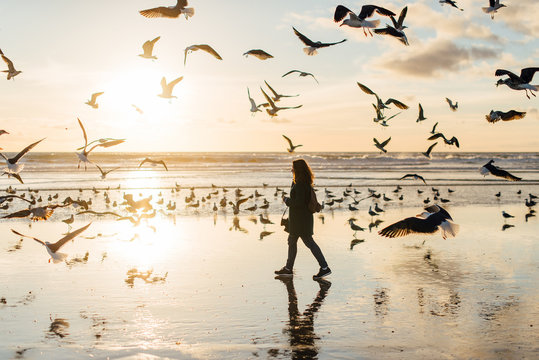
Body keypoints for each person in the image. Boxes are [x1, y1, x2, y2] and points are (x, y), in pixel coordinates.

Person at [275, 159, 331, 279]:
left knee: (308, 242)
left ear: (297, 169)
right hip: (299, 219)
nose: (291, 169)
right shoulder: (301, 182)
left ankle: (324, 267)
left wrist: (286, 200)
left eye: (293, 168)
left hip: (300, 220)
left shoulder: (301, 184)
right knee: (293, 241)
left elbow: (298, 203)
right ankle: (288, 268)